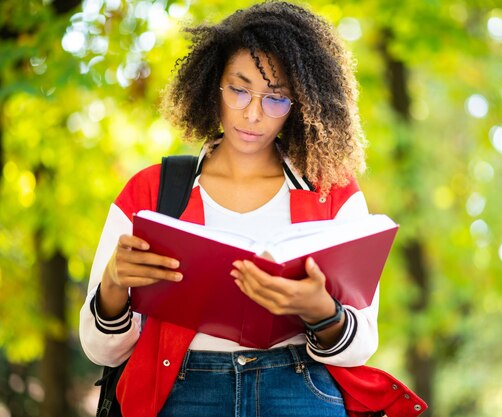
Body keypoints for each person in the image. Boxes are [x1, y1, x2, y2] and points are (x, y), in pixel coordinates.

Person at [79, 2, 425, 417]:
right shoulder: (152, 192)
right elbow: (101, 349)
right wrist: (114, 284)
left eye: (276, 98)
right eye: (239, 89)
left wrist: (322, 312)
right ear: (213, 86)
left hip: (301, 390)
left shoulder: (332, 193)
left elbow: (361, 345)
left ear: (302, 103)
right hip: (185, 394)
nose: (253, 113)